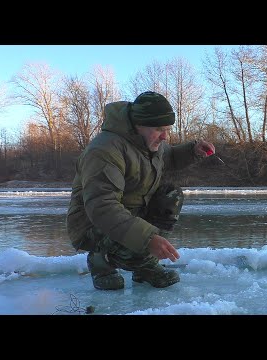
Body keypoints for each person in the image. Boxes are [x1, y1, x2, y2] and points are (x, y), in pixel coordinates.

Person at [66, 91, 215, 291]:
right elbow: (102, 207)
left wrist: (192, 151)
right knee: (139, 241)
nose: (165, 136)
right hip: (93, 225)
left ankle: (143, 266)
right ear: (138, 125)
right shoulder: (104, 151)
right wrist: (147, 239)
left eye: (168, 129)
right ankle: (100, 261)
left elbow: (168, 157)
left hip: (130, 213)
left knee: (170, 195)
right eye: (159, 129)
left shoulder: (148, 142)